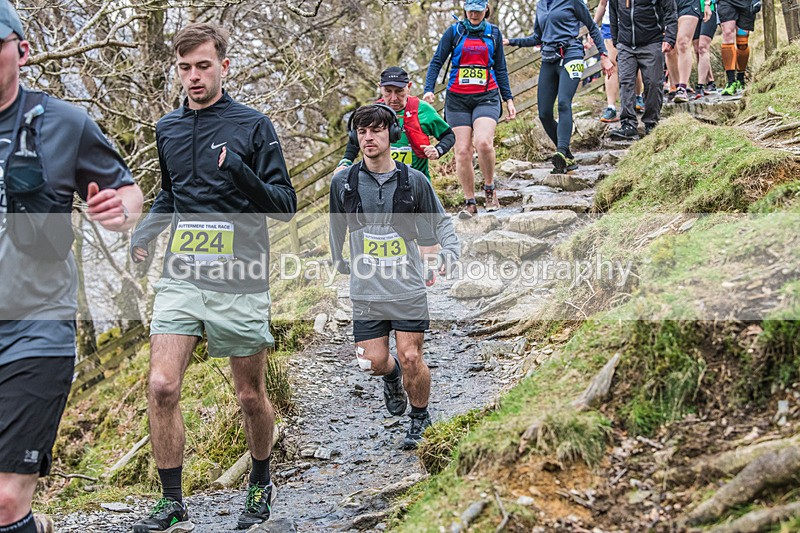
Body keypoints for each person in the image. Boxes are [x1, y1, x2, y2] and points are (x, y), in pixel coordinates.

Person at [129, 23, 296, 532]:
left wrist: (241, 172)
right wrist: (146, 233)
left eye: (203, 65)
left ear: (224, 65)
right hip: (182, 274)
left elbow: (285, 206)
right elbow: (171, 194)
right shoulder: (168, 129)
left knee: (249, 396)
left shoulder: (253, 125)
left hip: (240, 275)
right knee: (161, 386)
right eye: (185, 68)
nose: (194, 77)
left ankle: (260, 482)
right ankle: (172, 501)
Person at [0, 3, 143, 533]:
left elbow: (128, 194)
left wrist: (117, 212)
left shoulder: (63, 123)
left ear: (21, 49)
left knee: (4, 501)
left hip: (36, 327)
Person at [329, 104, 460, 449]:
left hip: (407, 287)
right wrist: (336, 259)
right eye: (361, 132)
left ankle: (420, 417)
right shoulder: (343, 182)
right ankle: (391, 375)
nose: (368, 138)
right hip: (366, 290)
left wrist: (449, 254)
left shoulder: (413, 181)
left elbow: (443, 222)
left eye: (375, 130)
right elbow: (335, 225)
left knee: (412, 356)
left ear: (392, 133)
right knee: (370, 362)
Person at [335, 67, 456, 285]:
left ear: (409, 87)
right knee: (397, 236)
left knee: (427, 240)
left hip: (416, 188)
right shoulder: (374, 114)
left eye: (399, 92)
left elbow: (448, 135)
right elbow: (356, 142)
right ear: (380, 89)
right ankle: (405, 275)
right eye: (388, 91)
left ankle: (426, 270)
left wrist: (438, 150)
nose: (393, 98)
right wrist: (345, 162)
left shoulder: (423, 110)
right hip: (385, 188)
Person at [423, 0, 515, 218]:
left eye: (478, 10)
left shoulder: (493, 33)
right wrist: (429, 89)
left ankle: (490, 189)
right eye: (470, 10)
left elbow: (500, 67)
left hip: (487, 96)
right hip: (457, 100)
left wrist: (508, 99)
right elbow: (437, 61)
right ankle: (470, 201)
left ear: (486, 9)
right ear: (465, 10)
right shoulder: (454, 32)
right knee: (462, 151)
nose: (474, 14)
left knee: (483, 142)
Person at [504, 0, 614, 174]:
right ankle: (567, 156)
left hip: (572, 54)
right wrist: (510, 41)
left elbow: (592, 27)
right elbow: (537, 38)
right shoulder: (541, 5)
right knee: (544, 113)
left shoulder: (573, 1)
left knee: (564, 103)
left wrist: (604, 55)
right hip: (549, 58)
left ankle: (561, 151)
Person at [608, 0, 678, 140]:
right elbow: (613, 14)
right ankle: (628, 125)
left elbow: (670, 11)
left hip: (652, 41)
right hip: (625, 44)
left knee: (653, 83)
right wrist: (617, 41)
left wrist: (670, 38)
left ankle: (651, 123)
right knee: (626, 82)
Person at [593, 0, 646, 122]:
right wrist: (594, 25)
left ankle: (638, 97)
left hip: (632, 22)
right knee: (612, 64)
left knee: (634, 62)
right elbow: (602, 3)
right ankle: (611, 107)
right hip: (609, 24)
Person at [664, 0, 712, 103]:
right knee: (670, 48)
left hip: (689, 4)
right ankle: (676, 87)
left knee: (683, 43)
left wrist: (707, 4)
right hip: (666, 5)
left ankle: (682, 87)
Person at [717, 0, 756, 96]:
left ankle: (740, 78)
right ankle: (731, 82)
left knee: (742, 42)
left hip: (747, 3)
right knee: (727, 33)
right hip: (726, 2)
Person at [693, 0, 719, 96]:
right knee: (697, 49)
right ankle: (710, 82)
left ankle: (700, 85)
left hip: (709, 7)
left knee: (703, 47)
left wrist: (708, 4)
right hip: (692, 9)